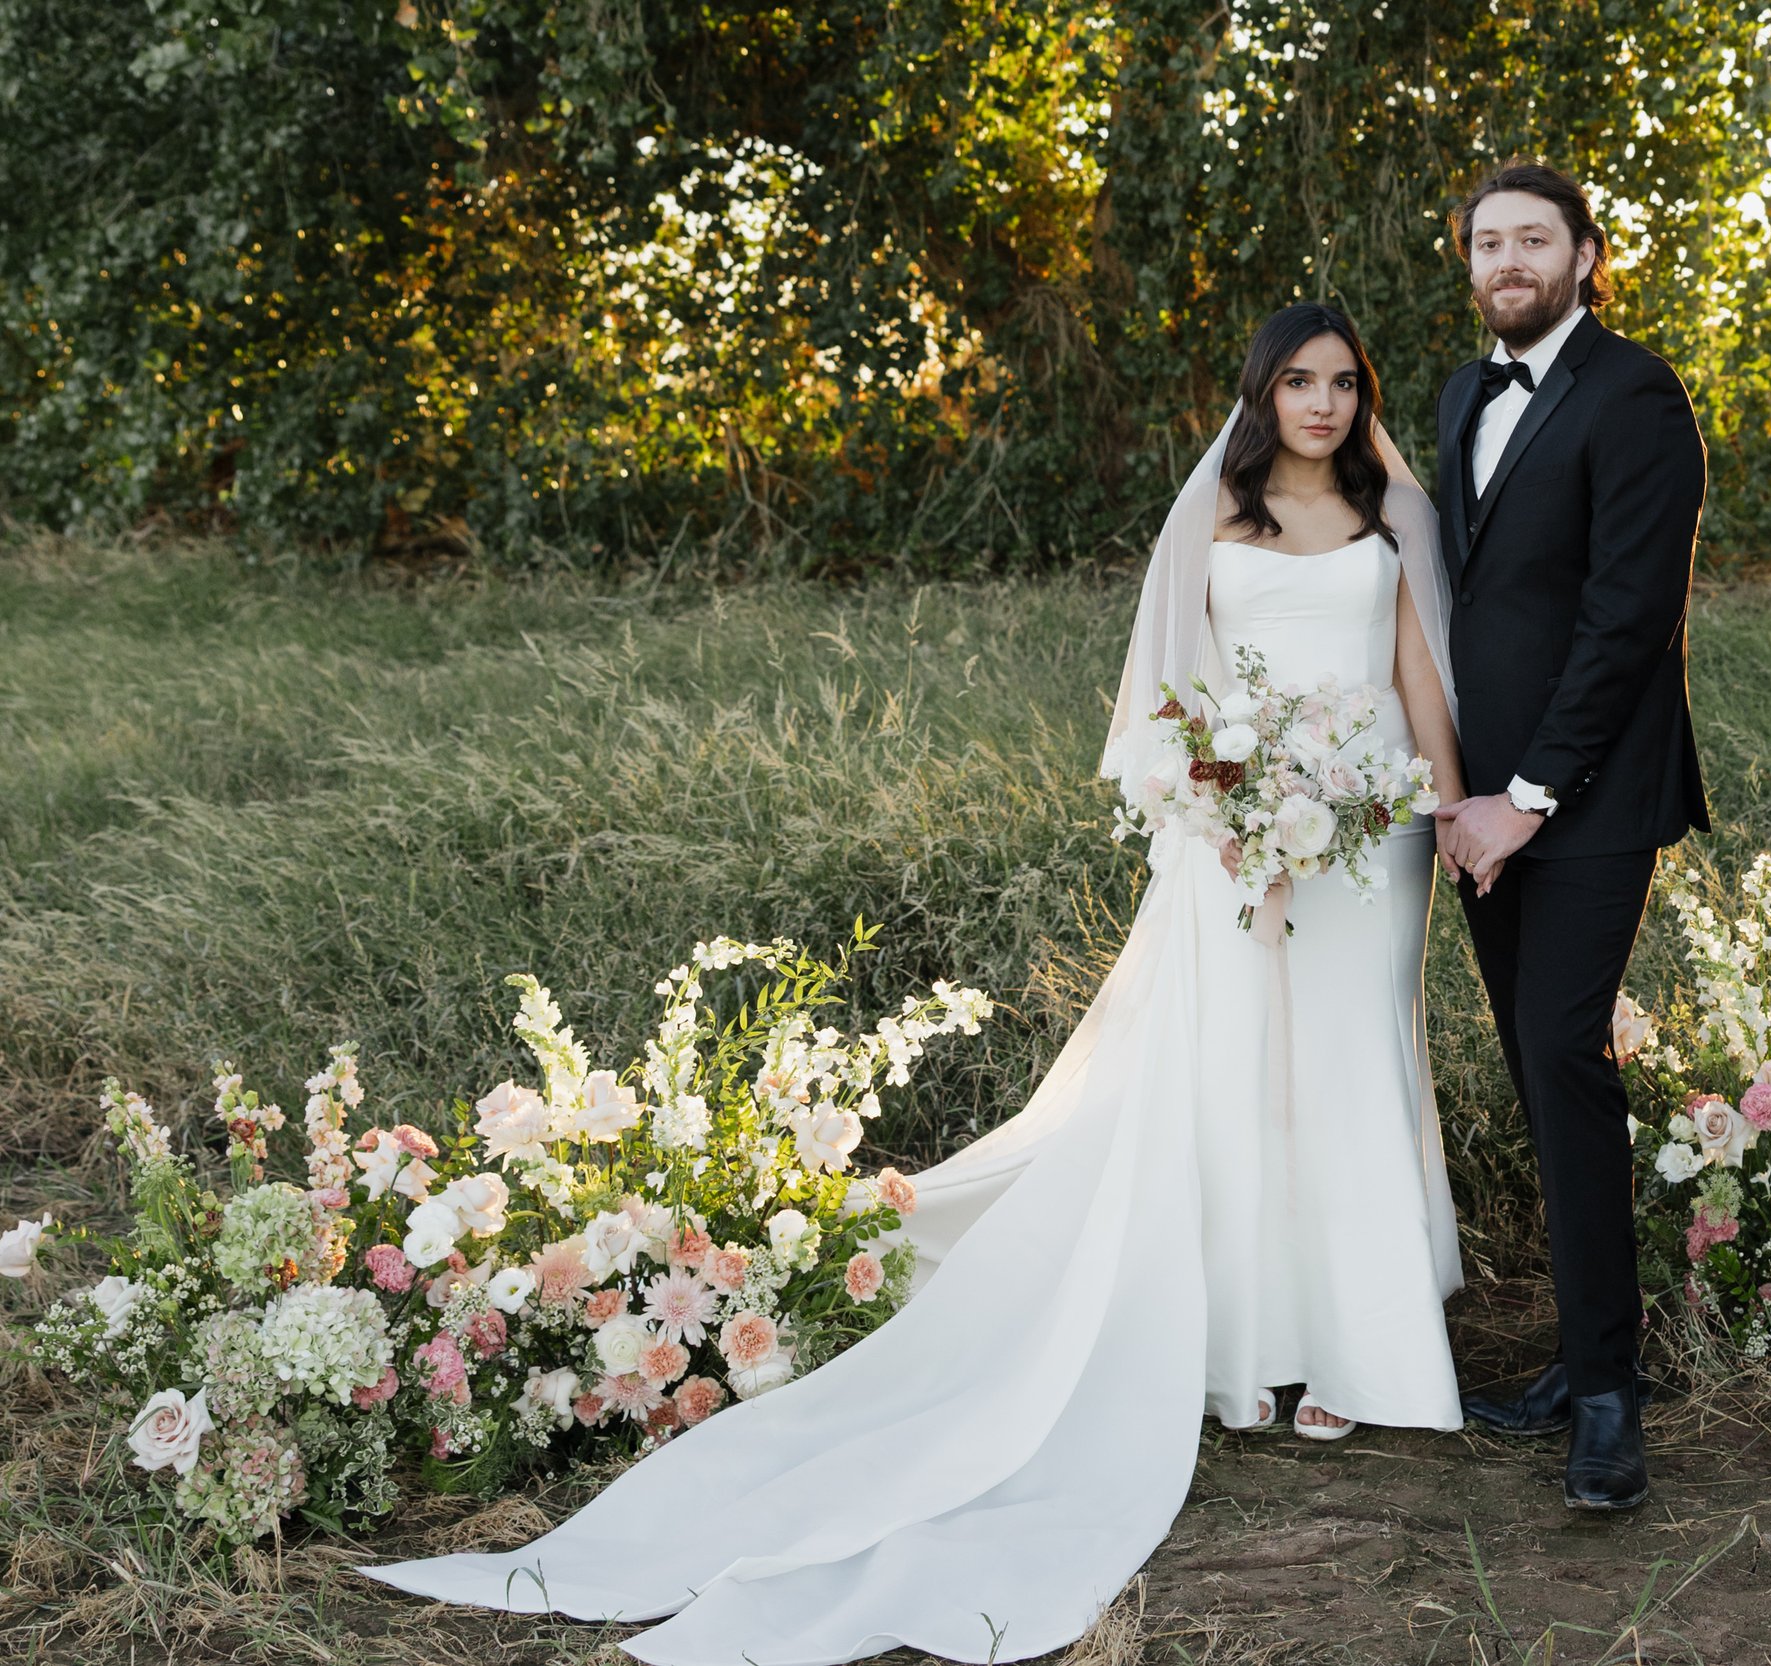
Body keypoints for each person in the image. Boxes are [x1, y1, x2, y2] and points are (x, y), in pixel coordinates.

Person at [363, 303, 1470, 1665]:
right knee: (1238, 1076)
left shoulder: (1389, 522)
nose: (1320, 402)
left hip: (1374, 838)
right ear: (1262, 395)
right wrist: (1232, 805)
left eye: (1342, 382)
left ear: (1365, 399)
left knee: (1355, 1063)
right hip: (1237, 843)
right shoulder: (1219, 524)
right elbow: (1164, 706)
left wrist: (1452, 811)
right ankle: (1252, 1339)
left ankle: (1360, 1344)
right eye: (1297, 381)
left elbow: (1419, 676)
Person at [1429, 161, 1710, 1514]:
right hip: (1475, 803)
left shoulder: (1637, 395)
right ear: (1471, 262)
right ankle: (1570, 1357)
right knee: (1535, 1072)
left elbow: (1625, 620)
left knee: (1563, 1052)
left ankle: (1610, 1397)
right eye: (1490, 240)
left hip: (1587, 799)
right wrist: (1450, 790)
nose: (1511, 258)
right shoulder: (1455, 395)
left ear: (1589, 254)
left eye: (1536, 237)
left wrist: (1528, 795)